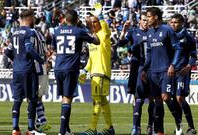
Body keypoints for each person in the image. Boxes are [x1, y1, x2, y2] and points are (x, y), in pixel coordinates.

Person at [51, 9, 100, 135]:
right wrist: (91, 28)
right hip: (70, 68)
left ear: (65, 19)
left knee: (65, 98)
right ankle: (62, 132)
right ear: (77, 20)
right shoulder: (79, 31)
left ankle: (66, 129)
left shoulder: (57, 31)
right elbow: (96, 41)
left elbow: (53, 48)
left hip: (58, 67)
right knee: (67, 98)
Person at [141, 7, 183, 135]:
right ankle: (160, 131)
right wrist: (144, 69)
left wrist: (172, 65)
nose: (147, 19)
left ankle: (178, 121)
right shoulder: (149, 33)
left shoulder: (167, 30)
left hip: (166, 70)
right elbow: (149, 53)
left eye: (149, 16)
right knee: (157, 100)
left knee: (165, 97)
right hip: (153, 71)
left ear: (156, 17)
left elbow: (178, 48)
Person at [5, 9, 45, 135]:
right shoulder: (29, 32)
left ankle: (15, 129)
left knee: (17, 100)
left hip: (16, 70)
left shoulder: (14, 32)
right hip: (28, 70)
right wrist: (40, 59)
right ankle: (31, 129)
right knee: (32, 99)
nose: (34, 20)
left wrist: (16, 60)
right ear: (29, 18)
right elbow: (29, 49)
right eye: (33, 18)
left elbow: (7, 51)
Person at [78, 3, 115, 135]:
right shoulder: (91, 39)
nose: (94, 23)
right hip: (95, 73)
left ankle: (92, 129)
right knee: (103, 101)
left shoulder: (103, 33)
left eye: (96, 21)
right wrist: (85, 71)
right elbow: (91, 59)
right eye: (91, 22)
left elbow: (104, 25)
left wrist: (99, 15)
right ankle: (109, 128)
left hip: (102, 72)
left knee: (96, 100)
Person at [118, 12, 154, 135]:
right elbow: (121, 44)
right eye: (143, 20)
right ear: (139, 21)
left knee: (152, 98)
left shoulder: (153, 32)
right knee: (137, 98)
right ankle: (136, 127)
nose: (145, 22)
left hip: (151, 69)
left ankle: (150, 125)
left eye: (147, 20)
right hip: (137, 68)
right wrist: (123, 30)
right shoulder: (133, 32)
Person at [169, 13, 197, 135]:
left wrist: (189, 66)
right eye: (172, 22)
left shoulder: (188, 37)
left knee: (180, 98)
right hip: (170, 71)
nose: (173, 24)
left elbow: (194, 55)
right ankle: (179, 127)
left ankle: (191, 127)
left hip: (182, 71)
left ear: (181, 23)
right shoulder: (168, 35)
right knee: (173, 100)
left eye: (175, 22)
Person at [31, 27, 51, 133]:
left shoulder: (31, 35)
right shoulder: (42, 37)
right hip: (43, 70)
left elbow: (29, 50)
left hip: (35, 70)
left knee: (32, 99)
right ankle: (39, 123)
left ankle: (42, 122)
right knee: (39, 99)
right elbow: (47, 53)